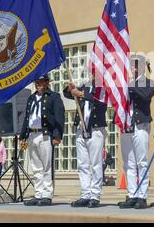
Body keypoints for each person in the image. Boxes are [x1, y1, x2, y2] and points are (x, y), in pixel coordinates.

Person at [20, 73, 65, 206]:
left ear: (47, 82)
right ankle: (38, 193)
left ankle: (47, 194)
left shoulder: (54, 97)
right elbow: (27, 118)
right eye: (37, 82)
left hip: (45, 135)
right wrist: (23, 136)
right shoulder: (31, 98)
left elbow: (59, 117)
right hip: (32, 134)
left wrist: (57, 135)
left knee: (47, 166)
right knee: (36, 167)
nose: (38, 84)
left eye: (41, 82)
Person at [64, 75, 108, 208]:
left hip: (96, 129)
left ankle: (95, 195)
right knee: (83, 164)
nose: (92, 75)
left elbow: (100, 101)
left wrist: (81, 94)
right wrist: (70, 88)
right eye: (91, 72)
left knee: (96, 164)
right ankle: (85, 194)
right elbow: (67, 94)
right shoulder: (85, 87)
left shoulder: (102, 88)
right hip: (82, 128)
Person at [117, 55, 154, 209]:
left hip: (140, 125)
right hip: (126, 125)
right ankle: (132, 194)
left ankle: (142, 195)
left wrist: (129, 85)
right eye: (131, 64)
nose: (132, 67)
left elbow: (145, 96)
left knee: (141, 162)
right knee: (128, 163)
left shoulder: (148, 83)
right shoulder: (124, 82)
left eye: (135, 64)